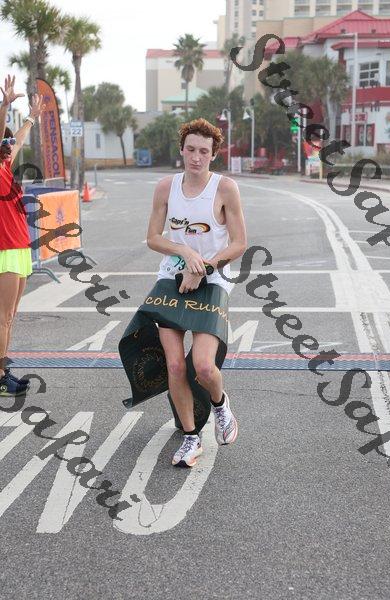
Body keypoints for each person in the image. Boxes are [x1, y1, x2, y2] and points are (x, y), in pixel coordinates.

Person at [146, 117, 247, 467]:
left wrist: (203, 267)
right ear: (181, 150)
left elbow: (239, 243)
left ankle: (220, 406)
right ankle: (191, 437)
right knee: (175, 365)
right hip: (170, 279)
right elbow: (153, 238)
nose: (196, 157)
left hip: (213, 281)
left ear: (213, 154)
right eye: (190, 149)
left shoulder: (225, 188)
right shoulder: (166, 187)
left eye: (204, 151)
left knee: (203, 367)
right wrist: (184, 252)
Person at [0, 74, 44, 396]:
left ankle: (3, 370)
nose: (8, 145)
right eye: (3, 143)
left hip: (18, 248)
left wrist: (31, 117)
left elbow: (18, 139)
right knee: (2, 318)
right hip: (4, 250)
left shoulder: (5, 166)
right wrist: (4, 106)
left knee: (10, 316)